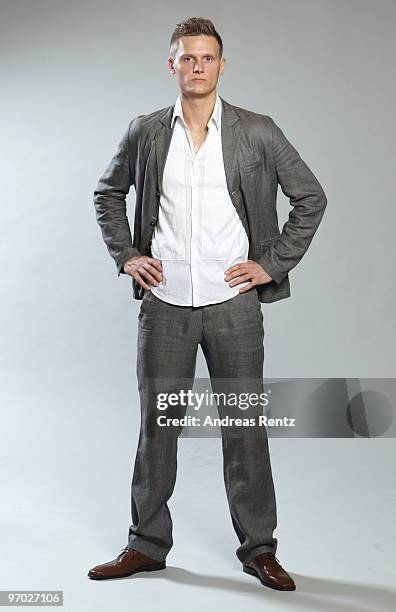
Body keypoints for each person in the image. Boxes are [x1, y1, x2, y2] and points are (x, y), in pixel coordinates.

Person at [88, 16, 327, 591]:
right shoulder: (145, 131)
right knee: (158, 427)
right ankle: (145, 545)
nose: (197, 67)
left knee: (244, 426)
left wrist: (269, 264)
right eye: (187, 58)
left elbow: (310, 198)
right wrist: (126, 253)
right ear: (171, 65)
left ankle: (260, 549)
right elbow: (108, 193)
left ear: (222, 65)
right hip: (165, 305)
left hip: (233, 306)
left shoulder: (257, 131)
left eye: (207, 58)